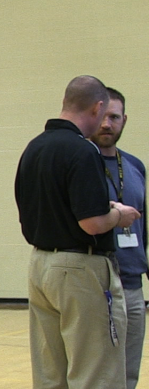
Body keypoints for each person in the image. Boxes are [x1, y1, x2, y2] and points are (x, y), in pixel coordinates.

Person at [15, 75, 141, 389]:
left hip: (40, 265)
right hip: (80, 270)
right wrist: (118, 214)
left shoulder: (34, 148)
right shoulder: (83, 152)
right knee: (95, 370)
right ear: (97, 107)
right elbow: (93, 223)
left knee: (50, 371)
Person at [91, 87, 149, 389]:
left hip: (133, 284)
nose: (107, 124)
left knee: (129, 371)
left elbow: (143, 223)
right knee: (101, 371)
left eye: (114, 117)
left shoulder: (136, 166)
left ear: (124, 120)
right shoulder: (83, 164)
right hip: (100, 284)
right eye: (102, 116)